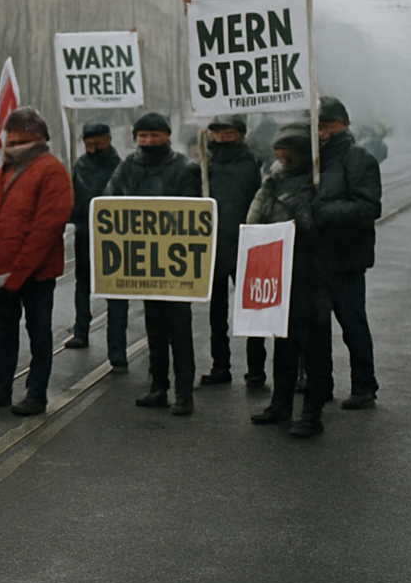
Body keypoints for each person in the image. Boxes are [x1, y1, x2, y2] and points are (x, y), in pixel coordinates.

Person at [0, 107, 73, 416]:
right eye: (12, 138)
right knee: (4, 332)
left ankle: (36, 393)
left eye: (23, 139)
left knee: (39, 332)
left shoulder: (52, 171)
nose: (15, 144)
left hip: (35, 272)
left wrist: (18, 273)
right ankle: (1, 387)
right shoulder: (3, 173)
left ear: (39, 140)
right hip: (3, 270)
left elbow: (46, 230)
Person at [105, 111, 202, 415]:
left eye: (153, 136)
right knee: (155, 330)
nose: (147, 141)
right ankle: (158, 386)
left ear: (167, 136)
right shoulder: (128, 166)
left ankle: (184, 393)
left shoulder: (184, 168)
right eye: (142, 136)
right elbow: (111, 200)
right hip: (145, 263)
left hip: (175, 264)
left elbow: (192, 213)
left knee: (179, 330)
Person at [247, 123, 333, 437]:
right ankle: (280, 404)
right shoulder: (273, 180)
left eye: (287, 156)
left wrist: (298, 207)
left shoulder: (319, 181)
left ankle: (312, 413)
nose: (282, 160)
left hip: (312, 274)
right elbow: (255, 215)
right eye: (278, 155)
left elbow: (317, 226)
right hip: (280, 271)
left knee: (314, 348)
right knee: (283, 344)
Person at [310, 96, 383, 409]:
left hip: (346, 257)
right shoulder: (310, 159)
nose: (323, 132)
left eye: (329, 125)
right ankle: (320, 385)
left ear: (344, 125)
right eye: (318, 126)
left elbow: (368, 207)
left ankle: (364, 385)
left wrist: (322, 212)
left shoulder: (360, 158)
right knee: (315, 327)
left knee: (352, 322)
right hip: (312, 256)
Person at [200, 115, 265, 387]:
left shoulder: (250, 165)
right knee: (216, 313)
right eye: (217, 132)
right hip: (213, 245)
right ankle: (220, 365)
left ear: (240, 134)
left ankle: (256, 369)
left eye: (228, 132)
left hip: (244, 244)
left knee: (253, 310)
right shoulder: (205, 166)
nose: (222, 137)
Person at [63, 121, 126, 369]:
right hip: (85, 234)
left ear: (107, 140)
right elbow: (72, 196)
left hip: (114, 237)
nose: (91, 148)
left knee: (116, 291)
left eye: (95, 143)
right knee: (83, 284)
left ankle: (117, 348)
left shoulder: (120, 167)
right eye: (87, 144)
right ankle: (81, 331)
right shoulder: (80, 165)